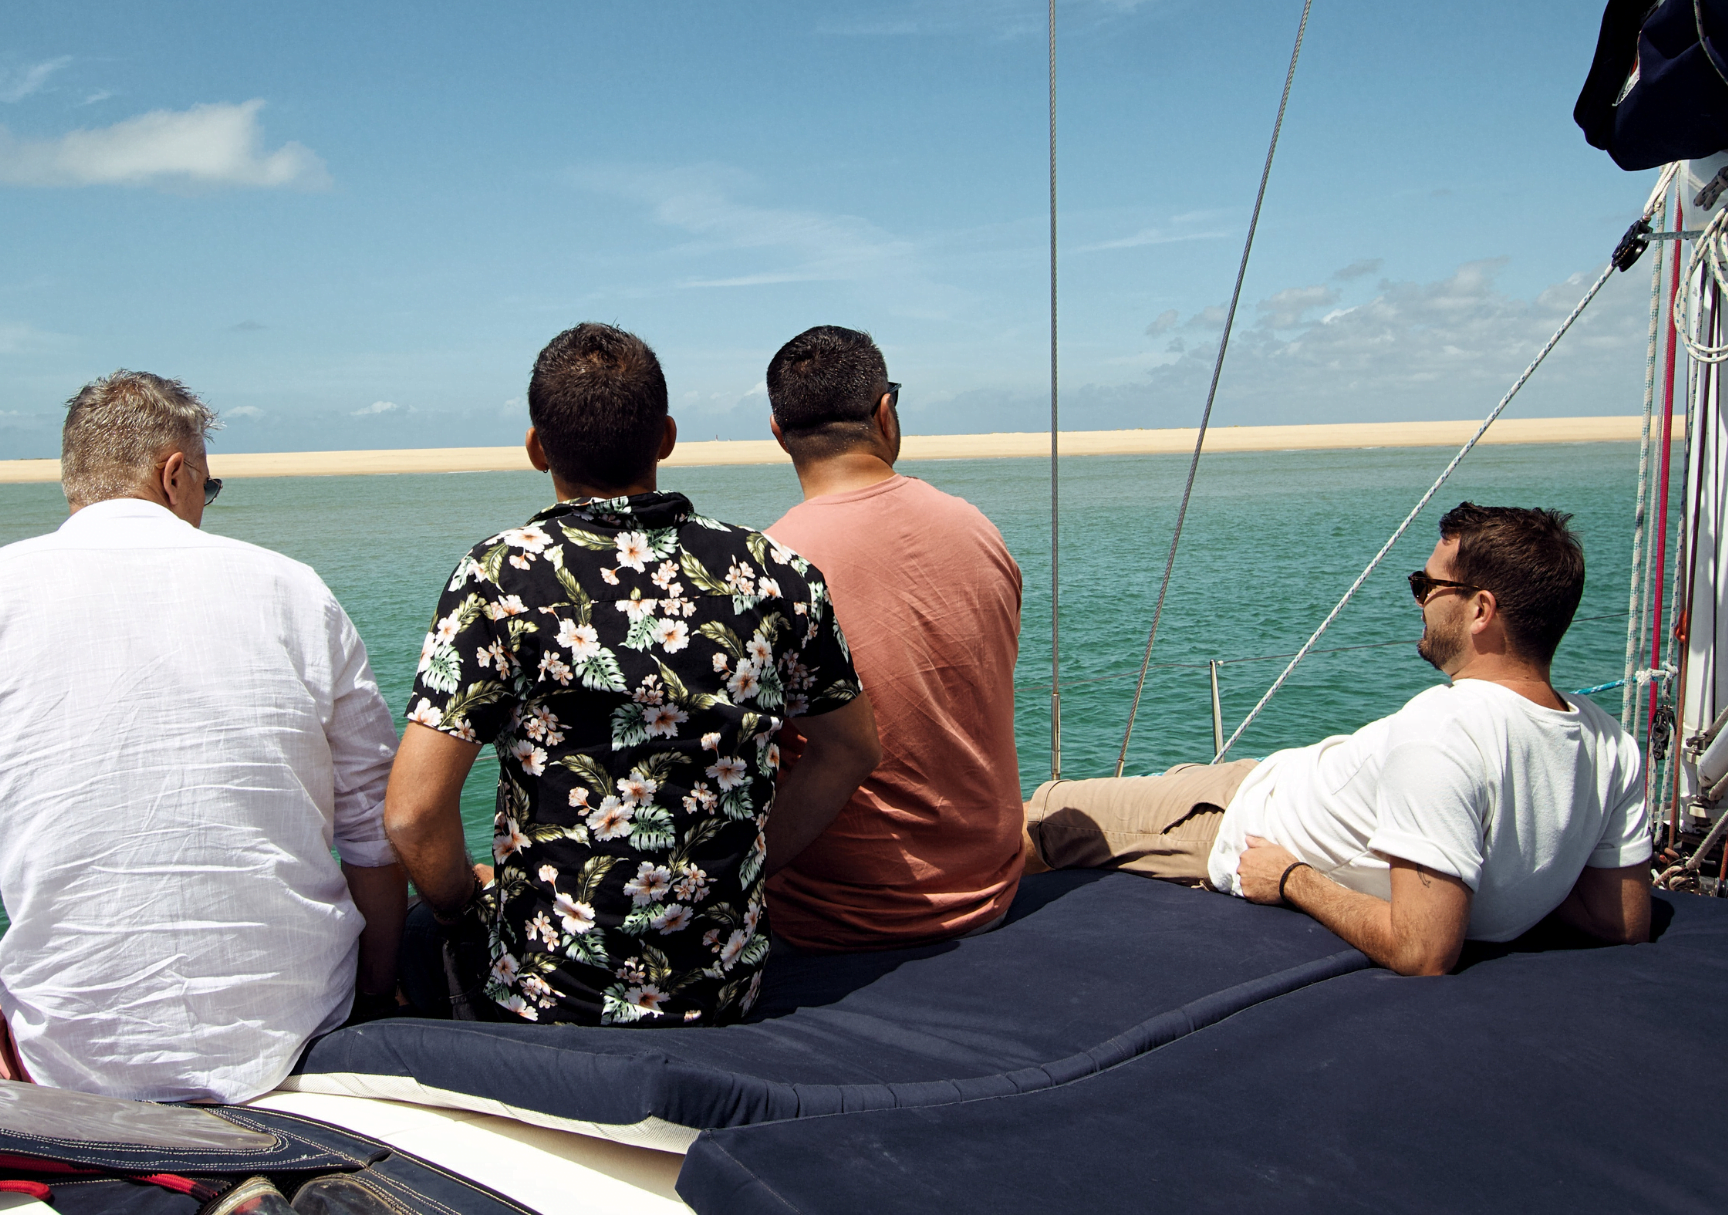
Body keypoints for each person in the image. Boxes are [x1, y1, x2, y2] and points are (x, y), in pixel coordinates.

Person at [0, 371, 404, 1101]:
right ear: (175, 473)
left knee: (7, 1029)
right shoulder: (295, 592)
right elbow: (372, 829)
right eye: (208, 489)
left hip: (76, 1064)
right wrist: (374, 998)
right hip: (300, 1032)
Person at [387, 322, 879, 1025]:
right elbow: (852, 748)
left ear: (536, 449)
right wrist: (749, 868)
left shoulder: (500, 577)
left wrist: (465, 905)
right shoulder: (776, 573)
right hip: (720, 987)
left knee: (414, 937)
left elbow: (411, 813)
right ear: (668, 437)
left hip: (549, 992)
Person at [1021, 503, 1651, 975]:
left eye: (1427, 587)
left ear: (1482, 610)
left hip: (1234, 817)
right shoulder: (1611, 745)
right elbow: (1617, 920)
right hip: (1281, 777)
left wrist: (1290, 878)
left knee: (1044, 815)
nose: (1420, 602)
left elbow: (1422, 948)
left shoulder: (1445, 732)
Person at [760, 325, 1024, 949]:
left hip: (833, 918)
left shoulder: (770, 567)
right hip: (989, 887)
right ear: (886, 413)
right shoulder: (977, 529)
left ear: (778, 432)